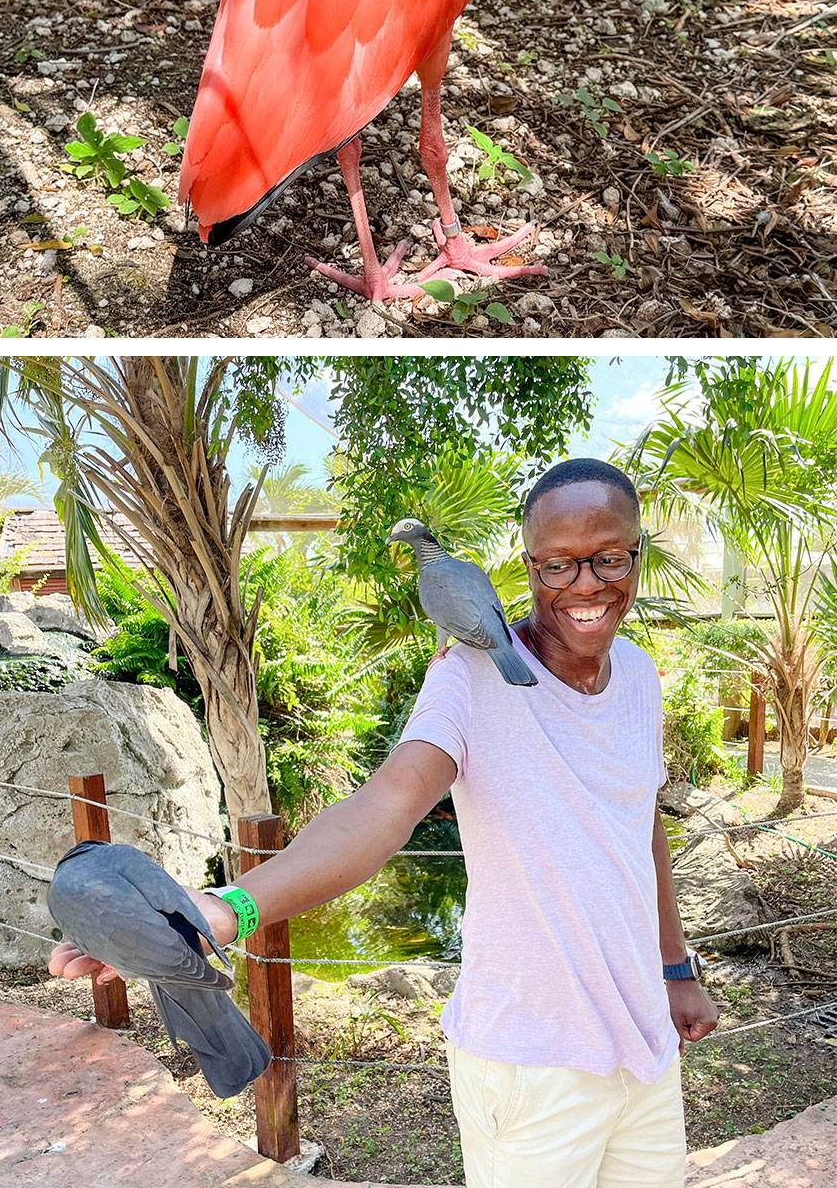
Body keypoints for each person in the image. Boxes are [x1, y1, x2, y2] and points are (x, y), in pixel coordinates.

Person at [50, 457, 719, 1187]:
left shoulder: (641, 676)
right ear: (528, 566)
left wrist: (675, 969)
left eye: (609, 558)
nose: (586, 585)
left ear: (637, 555)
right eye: (558, 565)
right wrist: (225, 909)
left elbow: (639, 825)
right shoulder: (467, 677)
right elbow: (383, 808)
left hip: (648, 1051)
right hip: (532, 1072)